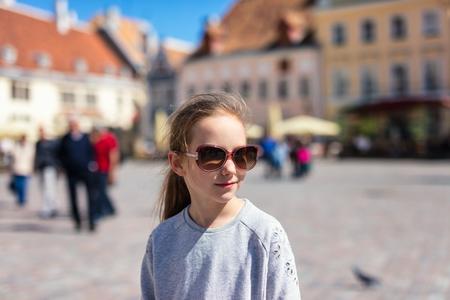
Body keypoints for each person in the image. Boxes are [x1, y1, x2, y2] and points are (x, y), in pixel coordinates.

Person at [140, 93, 301, 299]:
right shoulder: (161, 240)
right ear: (178, 163)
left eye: (242, 155)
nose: (230, 169)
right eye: (212, 155)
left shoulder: (266, 234)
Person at [58, 118, 98, 232]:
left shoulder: (85, 138)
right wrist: (64, 166)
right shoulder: (65, 139)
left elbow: (91, 152)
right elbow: (60, 154)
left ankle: (91, 221)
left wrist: (91, 164)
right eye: (71, 125)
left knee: (91, 196)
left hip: (85, 170)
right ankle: (77, 221)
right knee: (73, 198)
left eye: (74, 125)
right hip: (72, 172)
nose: (72, 127)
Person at [91, 126, 119, 218]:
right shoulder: (96, 141)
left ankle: (107, 208)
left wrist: (112, 171)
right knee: (100, 190)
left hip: (105, 168)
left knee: (101, 190)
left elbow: (113, 155)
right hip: (97, 169)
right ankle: (106, 208)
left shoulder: (107, 139)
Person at [34, 127, 60, 218]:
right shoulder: (38, 143)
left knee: (49, 188)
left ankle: (48, 208)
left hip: (50, 167)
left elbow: (57, 156)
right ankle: (52, 206)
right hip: (42, 168)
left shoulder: (52, 144)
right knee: (44, 187)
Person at [10, 134, 35, 206]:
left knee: (24, 186)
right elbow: (13, 157)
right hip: (17, 168)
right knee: (18, 185)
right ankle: (20, 198)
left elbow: (31, 158)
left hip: (26, 168)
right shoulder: (16, 146)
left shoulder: (29, 146)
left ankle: (23, 199)